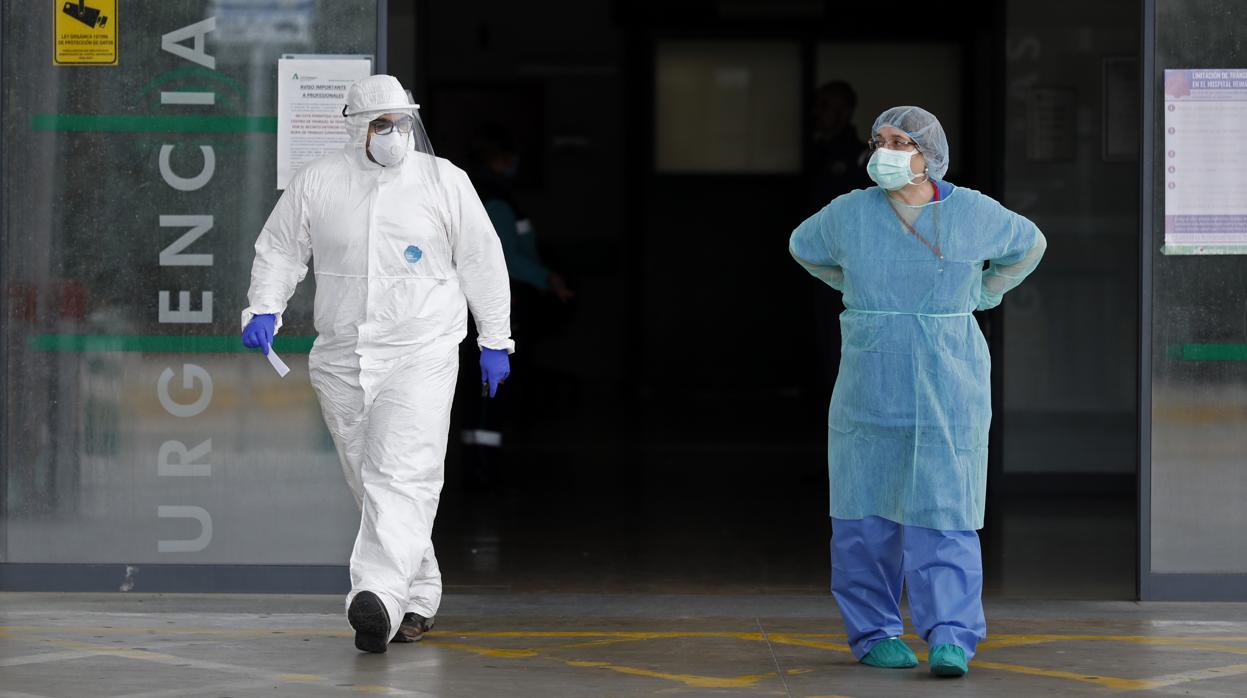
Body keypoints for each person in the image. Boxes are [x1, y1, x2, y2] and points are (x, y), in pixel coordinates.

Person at [240, 75, 514, 654]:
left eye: (401, 123)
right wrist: (263, 306)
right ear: (355, 127)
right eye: (381, 124)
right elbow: (281, 248)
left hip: (422, 349)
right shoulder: (319, 181)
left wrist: (496, 337)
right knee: (374, 480)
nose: (394, 134)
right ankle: (418, 595)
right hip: (340, 355)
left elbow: (482, 260)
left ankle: (377, 601)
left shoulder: (444, 181)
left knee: (404, 473)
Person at [789, 106, 1046, 677]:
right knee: (864, 514)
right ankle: (874, 632)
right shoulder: (849, 214)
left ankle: (951, 635)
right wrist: (857, 287)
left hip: (947, 380)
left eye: (900, 140)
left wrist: (985, 291)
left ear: (929, 154)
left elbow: (1028, 245)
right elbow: (803, 246)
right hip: (870, 380)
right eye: (880, 139)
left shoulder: (973, 212)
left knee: (944, 509)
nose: (886, 150)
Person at [806, 81, 872, 398]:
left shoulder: (859, 157)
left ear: (846, 111)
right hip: (813, 258)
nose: (820, 113)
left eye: (828, 106)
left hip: (846, 264)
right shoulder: (815, 152)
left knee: (841, 338)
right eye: (818, 105)